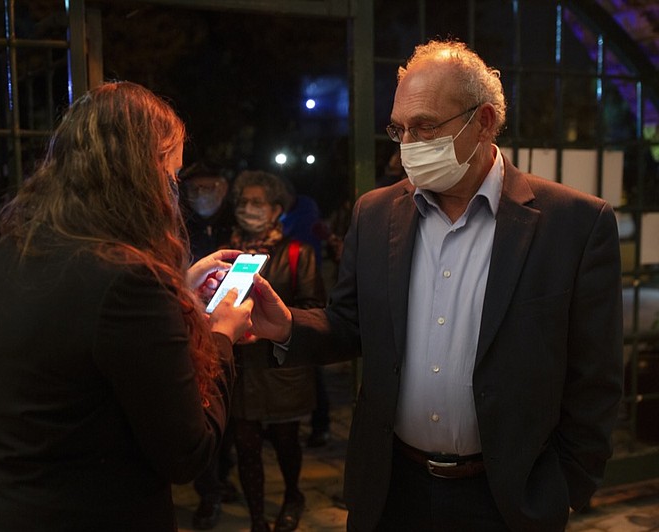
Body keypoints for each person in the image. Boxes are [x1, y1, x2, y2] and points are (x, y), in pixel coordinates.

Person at [248, 39, 623, 532]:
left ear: (485, 121)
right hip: (392, 490)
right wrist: (287, 326)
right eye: (399, 129)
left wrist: (567, 486)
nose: (409, 143)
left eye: (425, 126)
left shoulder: (574, 223)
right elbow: (350, 324)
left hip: (507, 499)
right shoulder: (376, 213)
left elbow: (594, 376)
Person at [0, 81, 253, 531]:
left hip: (1, 509)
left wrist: (177, 293)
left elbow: (81, 346)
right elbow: (187, 453)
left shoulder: (12, 252)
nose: (172, 194)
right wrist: (221, 334)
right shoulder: (129, 281)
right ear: (141, 174)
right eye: (170, 176)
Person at [228, 170, 325, 532]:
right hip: (242, 367)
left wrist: (272, 322)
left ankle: (292, 496)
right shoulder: (228, 252)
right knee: (246, 443)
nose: (247, 209)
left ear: (276, 209)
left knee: (286, 440)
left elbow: (315, 307)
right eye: (243, 202)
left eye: (257, 203)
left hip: (283, 365)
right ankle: (256, 517)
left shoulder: (297, 253)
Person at [178, 161, 240, 530]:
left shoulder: (238, 226)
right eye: (195, 189)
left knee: (229, 416)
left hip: (233, 333)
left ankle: (224, 477)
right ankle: (208, 492)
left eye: (211, 188)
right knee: (202, 411)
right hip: (192, 336)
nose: (203, 196)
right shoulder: (179, 230)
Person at [277, 178, 333, 448]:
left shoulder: (302, 217)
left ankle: (320, 424)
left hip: (302, 298)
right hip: (289, 308)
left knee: (311, 366)